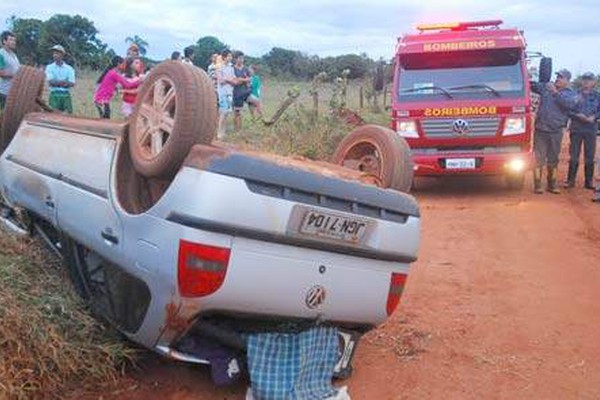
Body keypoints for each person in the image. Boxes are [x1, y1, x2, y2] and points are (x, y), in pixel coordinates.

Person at [530, 69, 578, 194]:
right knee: (538, 158)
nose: (557, 79)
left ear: (567, 80)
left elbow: (569, 105)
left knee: (553, 158)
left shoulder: (570, 94)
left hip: (555, 131)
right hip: (541, 129)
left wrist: (555, 92)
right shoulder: (546, 88)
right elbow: (532, 85)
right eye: (557, 76)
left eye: (561, 77)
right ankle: (537, 184)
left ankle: (552, 184)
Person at [564, 72, 600, 189]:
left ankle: (588, 182)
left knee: (589, 157)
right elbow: (568, 110)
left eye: (589, 80)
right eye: (584, 79)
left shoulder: (597, 96)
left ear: (593, 82)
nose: (586, 82)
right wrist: (578, 115)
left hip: (591, 129)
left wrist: (594, 117)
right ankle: (570, 181)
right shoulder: (574, 94)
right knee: (574, 156)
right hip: (577, 128)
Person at [45, 45, 75, 113]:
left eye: (57, 53)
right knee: (53, 116)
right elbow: (50, 82)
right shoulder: (49, 67)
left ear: (62, 55)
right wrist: (64, 82)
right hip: (54, 94)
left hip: (66, 95)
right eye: (54, 53)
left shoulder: (69, 68)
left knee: (68, 117)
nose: (54, 55)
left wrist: (56, 83)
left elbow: (72, 83)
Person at [216, 49, 237, 138]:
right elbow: (221, 81)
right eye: (229, 56)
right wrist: (229, 80)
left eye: (231, 56)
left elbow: (235, 80)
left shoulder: (231, 68)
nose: (230, 58)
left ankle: (223, 132)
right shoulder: (219, 67)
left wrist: (228, 80)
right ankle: (219, 133)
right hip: (223, 92)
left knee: (227, 112)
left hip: (230, 92)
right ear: (224, 57)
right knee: (223, 112)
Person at [232, 51, 251, 131]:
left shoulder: (246, 69)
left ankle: (255, 122)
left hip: (246, 91)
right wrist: (244, 80)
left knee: (255, 103)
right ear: (236, 59)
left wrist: (242, 80)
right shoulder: (232, 68)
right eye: (240, 58)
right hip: (237, 93)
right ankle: (237, 128)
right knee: (237, 112)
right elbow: (235, 81)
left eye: (242, 58)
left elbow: (249, 79)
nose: (241, 60)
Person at [0, 30, 20, 110]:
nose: (14, 42)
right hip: (4, 92)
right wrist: (16, 75)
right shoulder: (1, 54)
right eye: (11, 40)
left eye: (14, 40)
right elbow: (1, 73)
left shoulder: (14, 55)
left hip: (14, 91)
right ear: (4, 41)